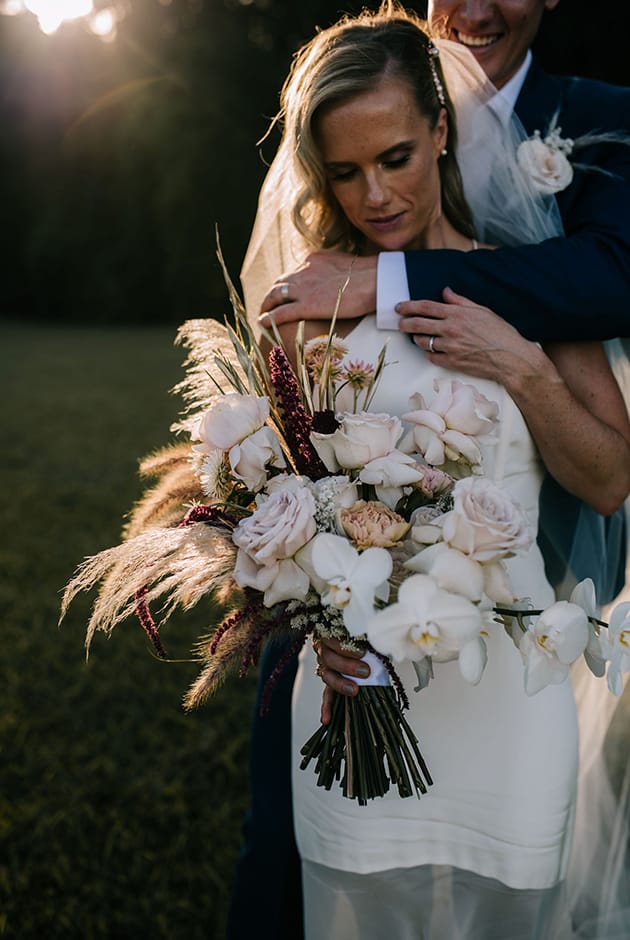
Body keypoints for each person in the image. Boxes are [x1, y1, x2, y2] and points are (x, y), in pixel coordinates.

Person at [228, 4, 630, 937]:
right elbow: (272, 510)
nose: (375, 195)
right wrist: (307, 614)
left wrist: (521, 367)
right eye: (346, 171)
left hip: (513, 703)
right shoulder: (306, 313)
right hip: (353, 697)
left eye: (396, 157)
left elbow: (610, 480)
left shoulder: (532, 283)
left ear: (442, 130)